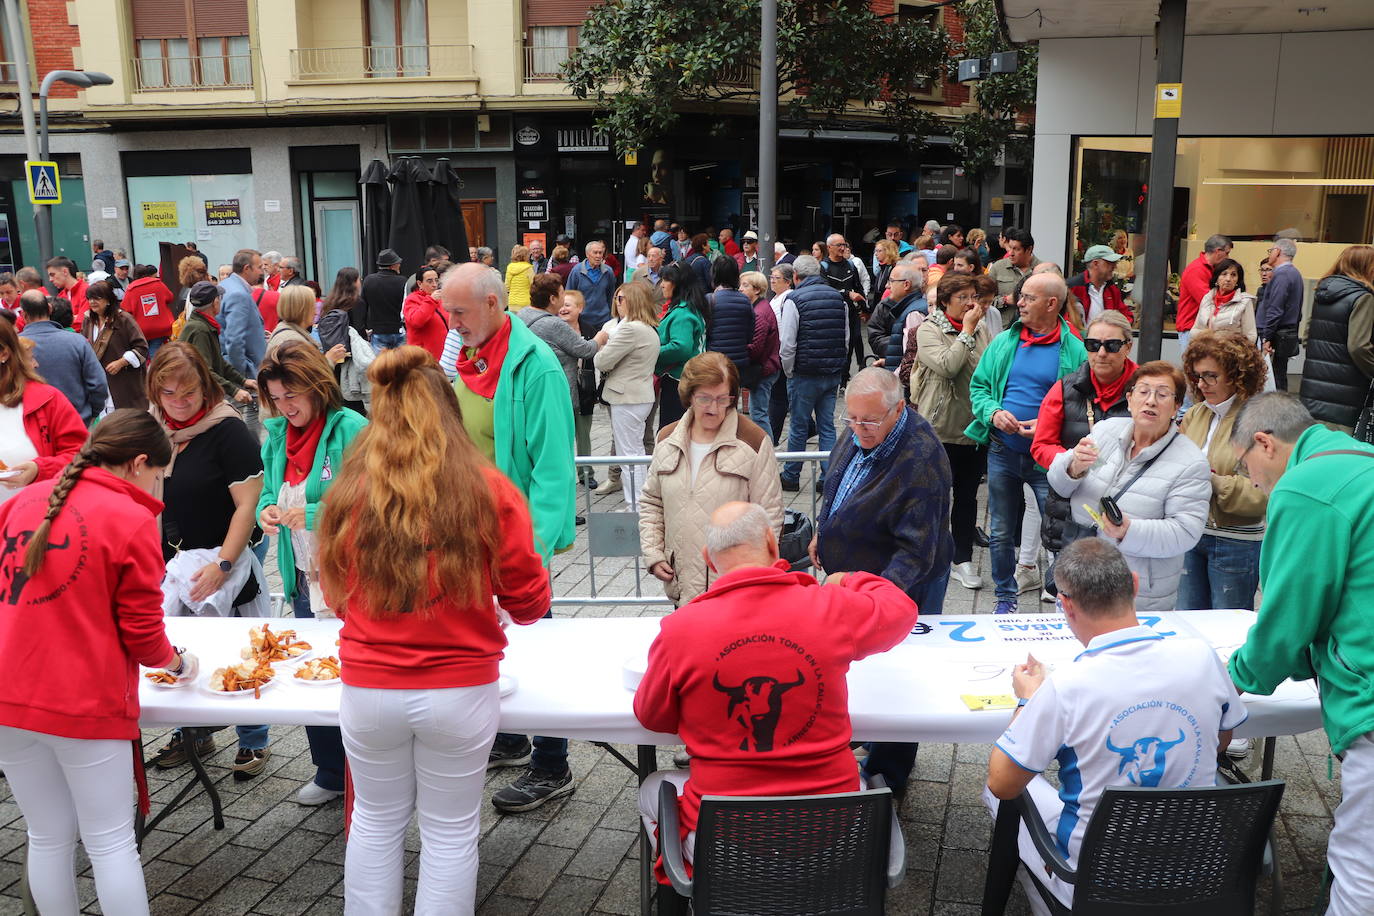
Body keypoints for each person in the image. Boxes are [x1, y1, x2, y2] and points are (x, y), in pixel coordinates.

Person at [314, 346, 550, 913]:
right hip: (459, 689)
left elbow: (335, 595)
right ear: (449, 411)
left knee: (373, 822)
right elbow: (529, 602)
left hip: (370, 685)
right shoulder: (488, 489)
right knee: (448, 834)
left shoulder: (349, 492)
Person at [634, 501, 918, 864]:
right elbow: (901, 609)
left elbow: (652, 717)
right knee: (862, 784)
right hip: (833, 831)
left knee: (650, 788)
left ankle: (701, 887)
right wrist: (847, 579)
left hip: (727, 840)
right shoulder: (831, 606)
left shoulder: (678, 631)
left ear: (708, 558)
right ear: (773, 543)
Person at [985, 537, 1246, 916]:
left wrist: (1027, 700)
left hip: (1093, 881)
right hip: (1194, 869)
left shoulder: (1065, 686)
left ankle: (1041, 893)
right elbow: (1221, 742)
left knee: (996, 790)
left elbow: (1002, 782)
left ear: (1066, 605)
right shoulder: (1201, 656)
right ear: (1135, 585)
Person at [0, 409, 195, 915]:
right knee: (110, 844)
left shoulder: (21, 502)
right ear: (137, 463)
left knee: (45, 835)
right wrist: (178, 664)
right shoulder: (130, 520)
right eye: (158, 475)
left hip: (9, 696)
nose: (159, 489)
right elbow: (143, 636)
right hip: (83, 702)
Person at [1225, 393, 1374, 914]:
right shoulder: (1360, 460)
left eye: (1247, 467)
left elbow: (1285, 623)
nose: (1254, 483)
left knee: (1361, 871)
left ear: (1264, 443)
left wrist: (1230, 678)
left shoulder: (1305, 486)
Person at [438, 262, 578, 812]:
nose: (451, 322)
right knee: (494, 643)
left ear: (494, 305)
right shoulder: (468, 355)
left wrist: (532, 555)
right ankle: (514, 738)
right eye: (447, 310)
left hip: (514, 537)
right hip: (469, 532)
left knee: (535, 641)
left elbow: (552, 471)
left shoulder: (534, 367)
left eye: (460, 311)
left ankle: (552, 763)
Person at [811, 367, 952, 794]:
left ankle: (889, 774)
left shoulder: (922, 459)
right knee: (861, 667)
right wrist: (824, 529)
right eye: (851, 419)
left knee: (899, 675)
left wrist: (873, 602)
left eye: (869, 421)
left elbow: (916, 552)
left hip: (901, 588)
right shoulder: (859, 426)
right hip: (857, 579)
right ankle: (867, 736)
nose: (858, 429)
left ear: (898, 410)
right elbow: (837, 484)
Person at [145, 343, 272, 775]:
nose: (179, 404)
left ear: (206, 386)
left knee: (241, 648)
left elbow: (248, 504)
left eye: (189, 394)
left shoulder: (228, 430)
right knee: (181, 650)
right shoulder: (155, 428)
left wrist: (223, 565)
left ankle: (253, 740)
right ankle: (193, 734)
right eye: (168, 394)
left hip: (227, 560)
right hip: (174, 560)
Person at [256, 342, 368, 805]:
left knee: (358, 675)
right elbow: (267, 490)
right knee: (312, 670)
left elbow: (372, 499)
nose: (285, 407)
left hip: (353, 576)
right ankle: (328, 770)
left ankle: (367, 773)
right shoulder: (277, 436)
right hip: (304, 575)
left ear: (317, 387)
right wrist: (266, 511)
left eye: (292, 396)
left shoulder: (352, 429)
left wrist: (316, 513)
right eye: (277, 399)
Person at [967, 273, 1088, 613]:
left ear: (1052, 304)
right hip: (1003, 450)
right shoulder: (1004, 342)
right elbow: (978, 389)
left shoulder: (1074, 349)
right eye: (1020, 296)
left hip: (1047, 459)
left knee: (1059, 534)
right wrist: (993, 413)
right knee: (1002, 530)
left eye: (1028, 298)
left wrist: (1048, 426)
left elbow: (1082, 408)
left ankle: (1065, 598)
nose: (1018, 302)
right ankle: (1005, 597)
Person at [1046, 361, 1210, 612]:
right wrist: (1073, 467)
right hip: (1080, 575)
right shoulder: (1104, 431)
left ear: (1177, 407)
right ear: (1130, 399)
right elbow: (1058, 484)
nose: (1151, 401)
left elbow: (1186, 532)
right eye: (1143, 392)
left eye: (1163, 394)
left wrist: (1127, 531)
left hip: (1136, 593)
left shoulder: (1191, 462)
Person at [640, 353, 783, 605]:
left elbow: (769, 513)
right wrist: (654, 553)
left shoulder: (753, 441)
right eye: (704, 398)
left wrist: (756, 574)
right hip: (681, 585)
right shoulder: (666, 439)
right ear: (689, 395)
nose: (714, 408)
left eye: (723, 399)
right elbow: (652, 502)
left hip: (734, 591)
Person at [1030, 310, 1137, 596]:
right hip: (1073, 513)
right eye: (1093, 345)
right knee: (1072, 600)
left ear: (1128, 346)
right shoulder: (1064, 389)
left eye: (1112, 345)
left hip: (1130, 511)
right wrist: (1071, 463)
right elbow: (1041, 446)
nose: (1101, 353)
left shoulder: (1145, 390)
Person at [1175, 332, 1269, 611]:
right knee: (1189, 625)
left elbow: (1261, 494)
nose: (1201, 384)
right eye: (1197, 376)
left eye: (1210, 376)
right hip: (1191, 531)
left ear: (1236, 375)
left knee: (1226, 634)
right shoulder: (1195, 415)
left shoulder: (1258, 419)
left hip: (1235, 540)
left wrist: (1210, 480)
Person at [914, 274, 993, 591]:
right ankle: (929, 556)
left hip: (973, 427)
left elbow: (987, 367)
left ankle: (962, 558)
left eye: (974, 296)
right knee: (934, 498)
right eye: (964, 297)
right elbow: (948, 365)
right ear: (946, 301)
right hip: (938, 427)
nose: (972, 304)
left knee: (967, 497)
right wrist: (967, 331)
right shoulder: (929, 329)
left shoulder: (983, 326)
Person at [779, 255, 847, 491]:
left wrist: (789, 371)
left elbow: (787, 343)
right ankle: (827, 477)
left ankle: (791, 475)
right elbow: (845, 337)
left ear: (796, 277)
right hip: (831, 372)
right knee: (827, 425)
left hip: (804, 373)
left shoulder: (794, 299)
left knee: (798, 426)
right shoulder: (838, 298)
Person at [0, 316, 85, 499]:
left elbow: (81, 455)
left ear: (4, 354)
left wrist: (40, 469)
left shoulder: (46, 399)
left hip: (36, 518)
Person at [594, 283, 660, 506]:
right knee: (635, 452)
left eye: (620, 298)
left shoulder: (630, 328)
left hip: (628, 397)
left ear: (633, 300)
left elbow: (601, 361)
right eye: (615, 298)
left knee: (629, 454)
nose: (616, 303)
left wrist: (602, 341)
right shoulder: (648, 327)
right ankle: (639, 504)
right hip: (638, 395)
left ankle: (636, 505)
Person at [1301, 245, 1374, 433]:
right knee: (1341, 453)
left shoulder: (1323, 293)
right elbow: (1359, 347)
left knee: (1315, 449)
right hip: (1345, 396)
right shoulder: (1364, 297)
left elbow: (1308, 337)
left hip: (1312, 392)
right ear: (1366, 267)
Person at [18, 291, 108, 423]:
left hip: (34, 426)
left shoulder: (14, 346)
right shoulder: (78, 342)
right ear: (49, 308)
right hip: (77, 421)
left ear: (23, 314)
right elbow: (99, 384)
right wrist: (92, 413)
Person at [177, 281, 255, 406]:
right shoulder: (200, 330)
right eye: (219, 298)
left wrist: (243, 381)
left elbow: (218, 361)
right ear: (214, 302)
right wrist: (234, 391)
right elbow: (204, 370)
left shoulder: (203, 324)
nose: (220, 301)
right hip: (199, 398)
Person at [653, 261, 709, 430]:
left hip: (678, 379)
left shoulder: (683, 313)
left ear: (679, 284)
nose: (662, 284)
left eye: (666, 280)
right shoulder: (688, 307)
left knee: (672, 431)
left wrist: (651, 351)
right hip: (686, 377)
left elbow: (680, 347)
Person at [82, 280, 148, 411]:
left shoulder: (124, 319)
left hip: (125, 382)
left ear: (108, 300)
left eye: (97, 298)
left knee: (128, 420)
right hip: (99, 382)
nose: (92, 302)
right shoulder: (88, 321)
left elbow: (142, 347)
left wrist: (122, 362)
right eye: (89, 298)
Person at [317, 267, 374, 414]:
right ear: (355, 282)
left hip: (334, 355)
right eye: (359, 279)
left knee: (340, 396)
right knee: (354, 398)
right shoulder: (356, 302)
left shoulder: (330, 302)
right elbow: (359, 329)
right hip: (350, 358)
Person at [1257, 237, 1303, 392]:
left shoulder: (1282, 274)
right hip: (1284, 332)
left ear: (1277, 252)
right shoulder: (1294, 273)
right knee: (1278, 375)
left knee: (1274, 378)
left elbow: (1275, 308)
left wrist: (1267, 337)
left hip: (1276, 334)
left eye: (1271, 250)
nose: (1270, 254)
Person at [739, 270, 781, 437]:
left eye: (745, 285)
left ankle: (767, 451)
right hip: (766, 366)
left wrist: (739, 351)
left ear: (757, 289)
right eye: (740, 284)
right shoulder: (758, 307)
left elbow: (756, 348)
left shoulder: (759, 313)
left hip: (764, 369)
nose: (740, 289)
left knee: (759, 414)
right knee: (758, 413)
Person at [218, 248, 266, 389]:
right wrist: (241, 376)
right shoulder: (238, 294)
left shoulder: (226, 285)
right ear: (246, 268)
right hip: (245, 375)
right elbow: (234, 340)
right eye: (259, 267)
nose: (262, 272)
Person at [1177, 234, 1233, 351]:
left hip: (1201, 330)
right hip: (1192, 330)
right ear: (1218, 251)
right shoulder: (1197, 269)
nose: (1228, 257)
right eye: (1227, 253)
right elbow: (1207, 301)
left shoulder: (1210, 268)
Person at [867, 262, 927, 369]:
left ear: (906, 285)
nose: (887, 285)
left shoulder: (915, 313)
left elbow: (914, 358)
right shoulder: (890, 305)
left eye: (891, 281)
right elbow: (875, 335)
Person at [705, 255, 755, 381]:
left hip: (714, 361)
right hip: (739, 363)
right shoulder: (745, 300)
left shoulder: (709, 300)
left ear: (714, 274)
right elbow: (749, 335)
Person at [1195, 257, 1258, 343]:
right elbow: (1196, 329)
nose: (1228, 279)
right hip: (1207, 352)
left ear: (1238, 280)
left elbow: (1251, 336)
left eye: (1233, 275)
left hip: (1231, 353)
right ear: (1217, 278)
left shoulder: (1245, 301)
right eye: (1224, 274)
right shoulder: (1208, 298)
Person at [1067, 244, 1133, 324]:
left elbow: (1126, 316)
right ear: (1095, 264)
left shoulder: (1112, 289)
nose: (1114, 266)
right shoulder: (1072, 287)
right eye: (1110, 263)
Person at [987, 228, 1042, 324]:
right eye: (1010, 248)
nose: (1011, 253)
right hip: (1004, 330)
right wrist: (1004, 300)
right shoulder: (998, 267)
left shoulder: (1043, 270)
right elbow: (984, 300)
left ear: (1029, 249)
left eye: (1016, 249)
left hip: (1035, 329)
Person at [360, 248, 408, 352]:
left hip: (378, 331)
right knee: (403, 364)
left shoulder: (369, 281)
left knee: (382, 365)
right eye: (398, 263)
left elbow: (362, 306)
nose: (400, 265)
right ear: (393, 265)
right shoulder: (403, 281)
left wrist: (363, 327)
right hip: (399, 329)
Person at [121, 265, 174, 358]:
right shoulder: (158, 283)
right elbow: (170, 298)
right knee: (155, 351)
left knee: (146, 353)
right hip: (161, 327)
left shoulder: (131, 289)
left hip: (141, 329)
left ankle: (152, 369)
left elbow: (125, 308)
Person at [565, 240, 616, 332]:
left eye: (600, 253)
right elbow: (569, 294)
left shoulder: (608, 272)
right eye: (595, 253)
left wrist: (611, 316)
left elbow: (611, 295)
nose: (598, 256)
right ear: (587, 254)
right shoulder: (577, 271)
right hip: (583, 319)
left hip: (603, 319)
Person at [404, 263, 448, 360]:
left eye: (436, 280)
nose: (434, 285)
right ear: (419, 283)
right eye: (429, 281)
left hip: (443, 356)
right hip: (423, 358)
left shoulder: (440, 298)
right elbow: (416, 321)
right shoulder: (412, 299)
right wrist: (431, 301)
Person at [266, 285, 319, 358]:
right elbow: (308, 369)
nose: (316, 313)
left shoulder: (285, 332)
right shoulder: (294, 343)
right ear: (302, 310)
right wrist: (330, 361)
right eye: (313, 307)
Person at [45, 257, 89, 329]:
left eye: (52, 275)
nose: (50, 280)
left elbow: (83, 323)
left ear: (65, 272)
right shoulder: (61, 296)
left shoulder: (86, 291)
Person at [869, 239, 898, 314]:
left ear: (888, 251)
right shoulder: (881, 269)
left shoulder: (894, 269)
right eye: (875, 251)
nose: (876, 254)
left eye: (879, 251)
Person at [504, 244, 534, 311]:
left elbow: (507, 287)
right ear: (525, 256)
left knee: (514, 321)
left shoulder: (510, 267)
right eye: (528, 255)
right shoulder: (528, 268)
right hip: (526, 302)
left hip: (512, 302)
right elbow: (534, 285)